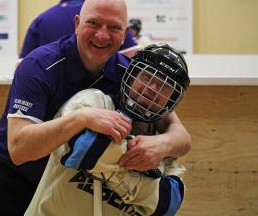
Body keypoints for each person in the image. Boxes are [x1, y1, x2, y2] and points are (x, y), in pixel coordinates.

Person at [0, 0, 190, 216]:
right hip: (16, 178)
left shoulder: (127, 73)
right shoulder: (39, 65)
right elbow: (19, 149)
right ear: (77, 23)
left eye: (113, 27)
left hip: (66, 179)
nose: (102, 35)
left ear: (125, 34)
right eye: (94, 23)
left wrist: (163, 145)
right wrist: (82, 118)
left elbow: (181, 136)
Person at [24, 44, 190, 216]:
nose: (152, 88)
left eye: (164, 86)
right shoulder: (92, 102)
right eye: (147, 77)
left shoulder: (166, 150)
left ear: (171, 101)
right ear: (131, 76)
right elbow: (84, 149)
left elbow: (167, 204)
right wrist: (142, 178)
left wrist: (108, 161)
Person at [19, 0, 139, 58]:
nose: (101, 36)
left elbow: (22, 65)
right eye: (93, 24)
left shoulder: (41, 21)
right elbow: (132, 56)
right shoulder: (111, 17)